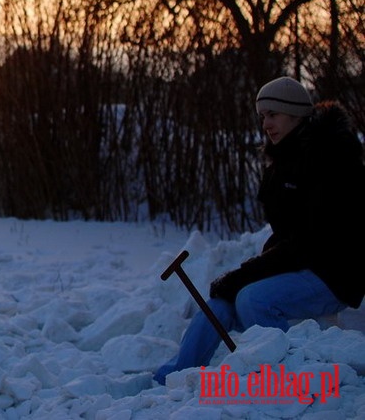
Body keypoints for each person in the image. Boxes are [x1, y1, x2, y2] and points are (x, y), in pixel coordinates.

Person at [155, 76, 365, 384]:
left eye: (273, 114)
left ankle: (280, 376)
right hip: (302, 264)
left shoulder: (330, 160)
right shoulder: (281, 163)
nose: (266, 124)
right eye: (262, 116)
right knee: (221, 303)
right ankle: (175, 376)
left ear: (296, 115)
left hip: (334, 273)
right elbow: (286, 235)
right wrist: (247, 274)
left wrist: (245, 274)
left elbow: (308, 241)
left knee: (253, 299)